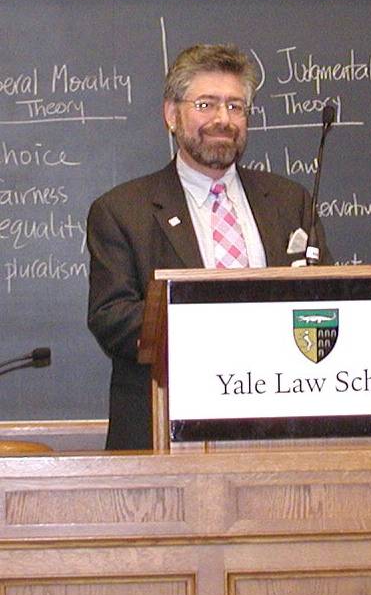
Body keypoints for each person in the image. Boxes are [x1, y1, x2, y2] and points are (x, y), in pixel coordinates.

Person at [87, 43, 332, 450]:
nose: (223, 119)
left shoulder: (291, 202)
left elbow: (327, 302)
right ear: (172, 115)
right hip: (166, 434)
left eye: (236, 107)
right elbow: (111, 318)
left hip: (281, 434)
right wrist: (222, 332)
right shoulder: (121, 211)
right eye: (206, 104)